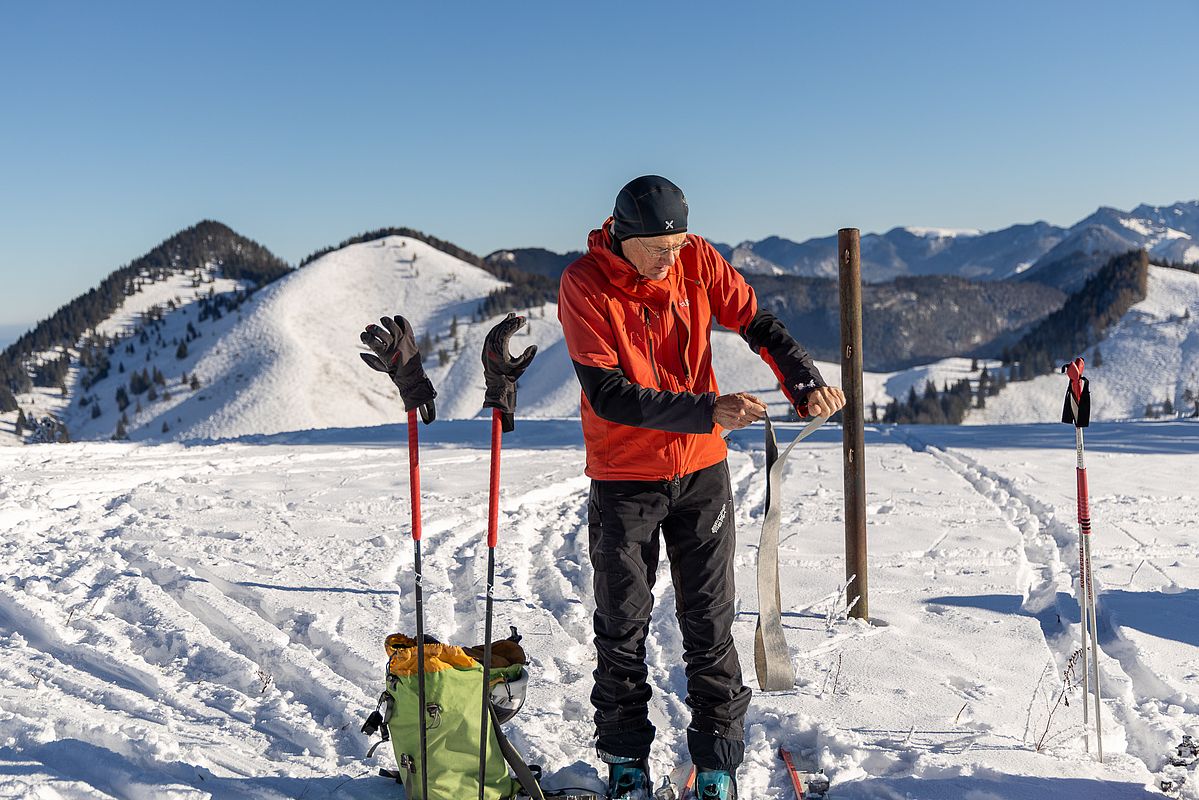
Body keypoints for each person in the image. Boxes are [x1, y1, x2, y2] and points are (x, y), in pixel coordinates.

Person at [557, 175, 846, 799]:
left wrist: (803, 381)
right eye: (660, 248)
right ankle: (626, 763)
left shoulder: (696, 259)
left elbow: (758, 321)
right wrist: (705, 411)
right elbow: (606, 393)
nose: (672, 257)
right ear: (623, 237)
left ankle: (717, 766)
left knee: (710, 625)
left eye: (680, 243)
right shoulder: (584, 283)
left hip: (701, 476)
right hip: (623, 480)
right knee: (622, 629)